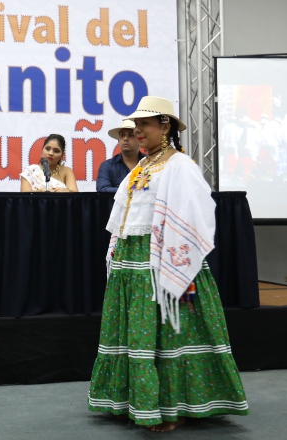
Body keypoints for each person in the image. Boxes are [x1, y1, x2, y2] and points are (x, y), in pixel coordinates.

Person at [88, 96, 248, 432]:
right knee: (138, 335)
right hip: (132, 265)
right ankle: (131, 400)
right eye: (136, 126)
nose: (138, 131)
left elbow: (197, 213)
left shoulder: (180, 166)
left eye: (144, 124)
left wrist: (170, 257)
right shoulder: (144, 167)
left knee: (167, 336)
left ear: (165, 126)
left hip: (160, 262)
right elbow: (125, 215)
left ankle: (166, 407)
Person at [96, 120, 144, 192]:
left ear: (139, 140)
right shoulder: (107, 166)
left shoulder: (150, 163)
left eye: (130, 135)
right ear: (118, 140)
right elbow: (102, 190)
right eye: (122, 135)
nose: (125, 138)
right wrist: (133, 190)